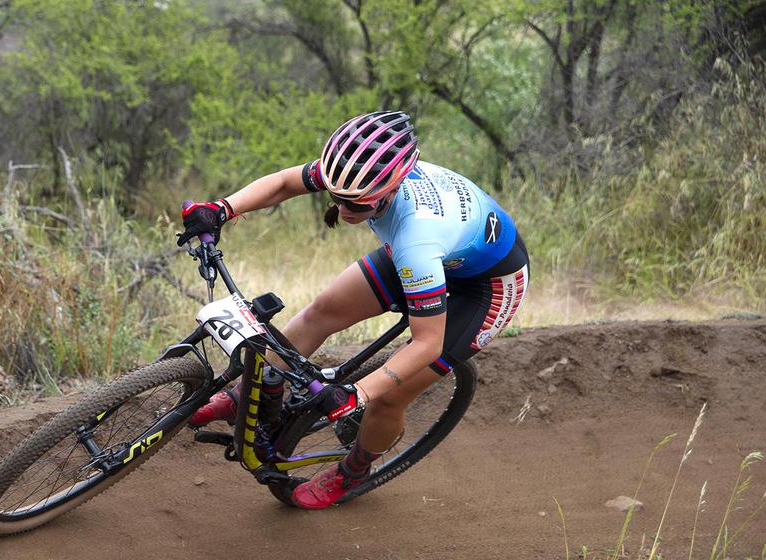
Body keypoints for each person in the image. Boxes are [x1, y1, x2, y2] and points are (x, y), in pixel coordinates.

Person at [177, 111, 529, 510]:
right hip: (440, 256)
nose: (342, 208)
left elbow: (428, 343)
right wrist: (221, 208)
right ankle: (245, 396)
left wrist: (356, 394)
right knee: (321, 312)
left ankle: (354, 469)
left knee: (389, 397)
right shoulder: (357, 171)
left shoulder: (417, 236)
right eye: (335, 196)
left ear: (390, 190)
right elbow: (284, 183)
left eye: (355, 204)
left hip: (486, 288)